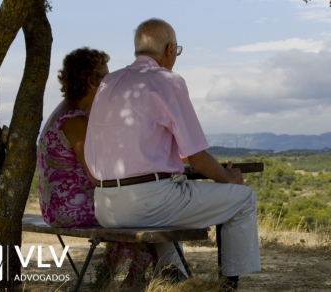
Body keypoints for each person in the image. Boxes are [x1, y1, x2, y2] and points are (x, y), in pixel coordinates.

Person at [84, 18, 261, 289]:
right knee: (244, 199)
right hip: (148, 204)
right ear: (169, 49)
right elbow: (198, 158)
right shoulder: (167, 81)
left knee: (166, 204)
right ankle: (227, 286)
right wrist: (229, 179)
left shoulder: (109, 82)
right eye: (176, 51)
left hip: (105, 206)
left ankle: (173, 278)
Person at [36, 47, 157, 288]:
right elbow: (96, 176)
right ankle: (133, 283)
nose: (110, 83)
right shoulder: (76, 120)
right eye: (106, 76)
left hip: (55, 207)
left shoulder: (64, 112)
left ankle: (105, 279)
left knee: (133, 207)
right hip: (70, 209)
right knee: (143, 208)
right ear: (92, 81)